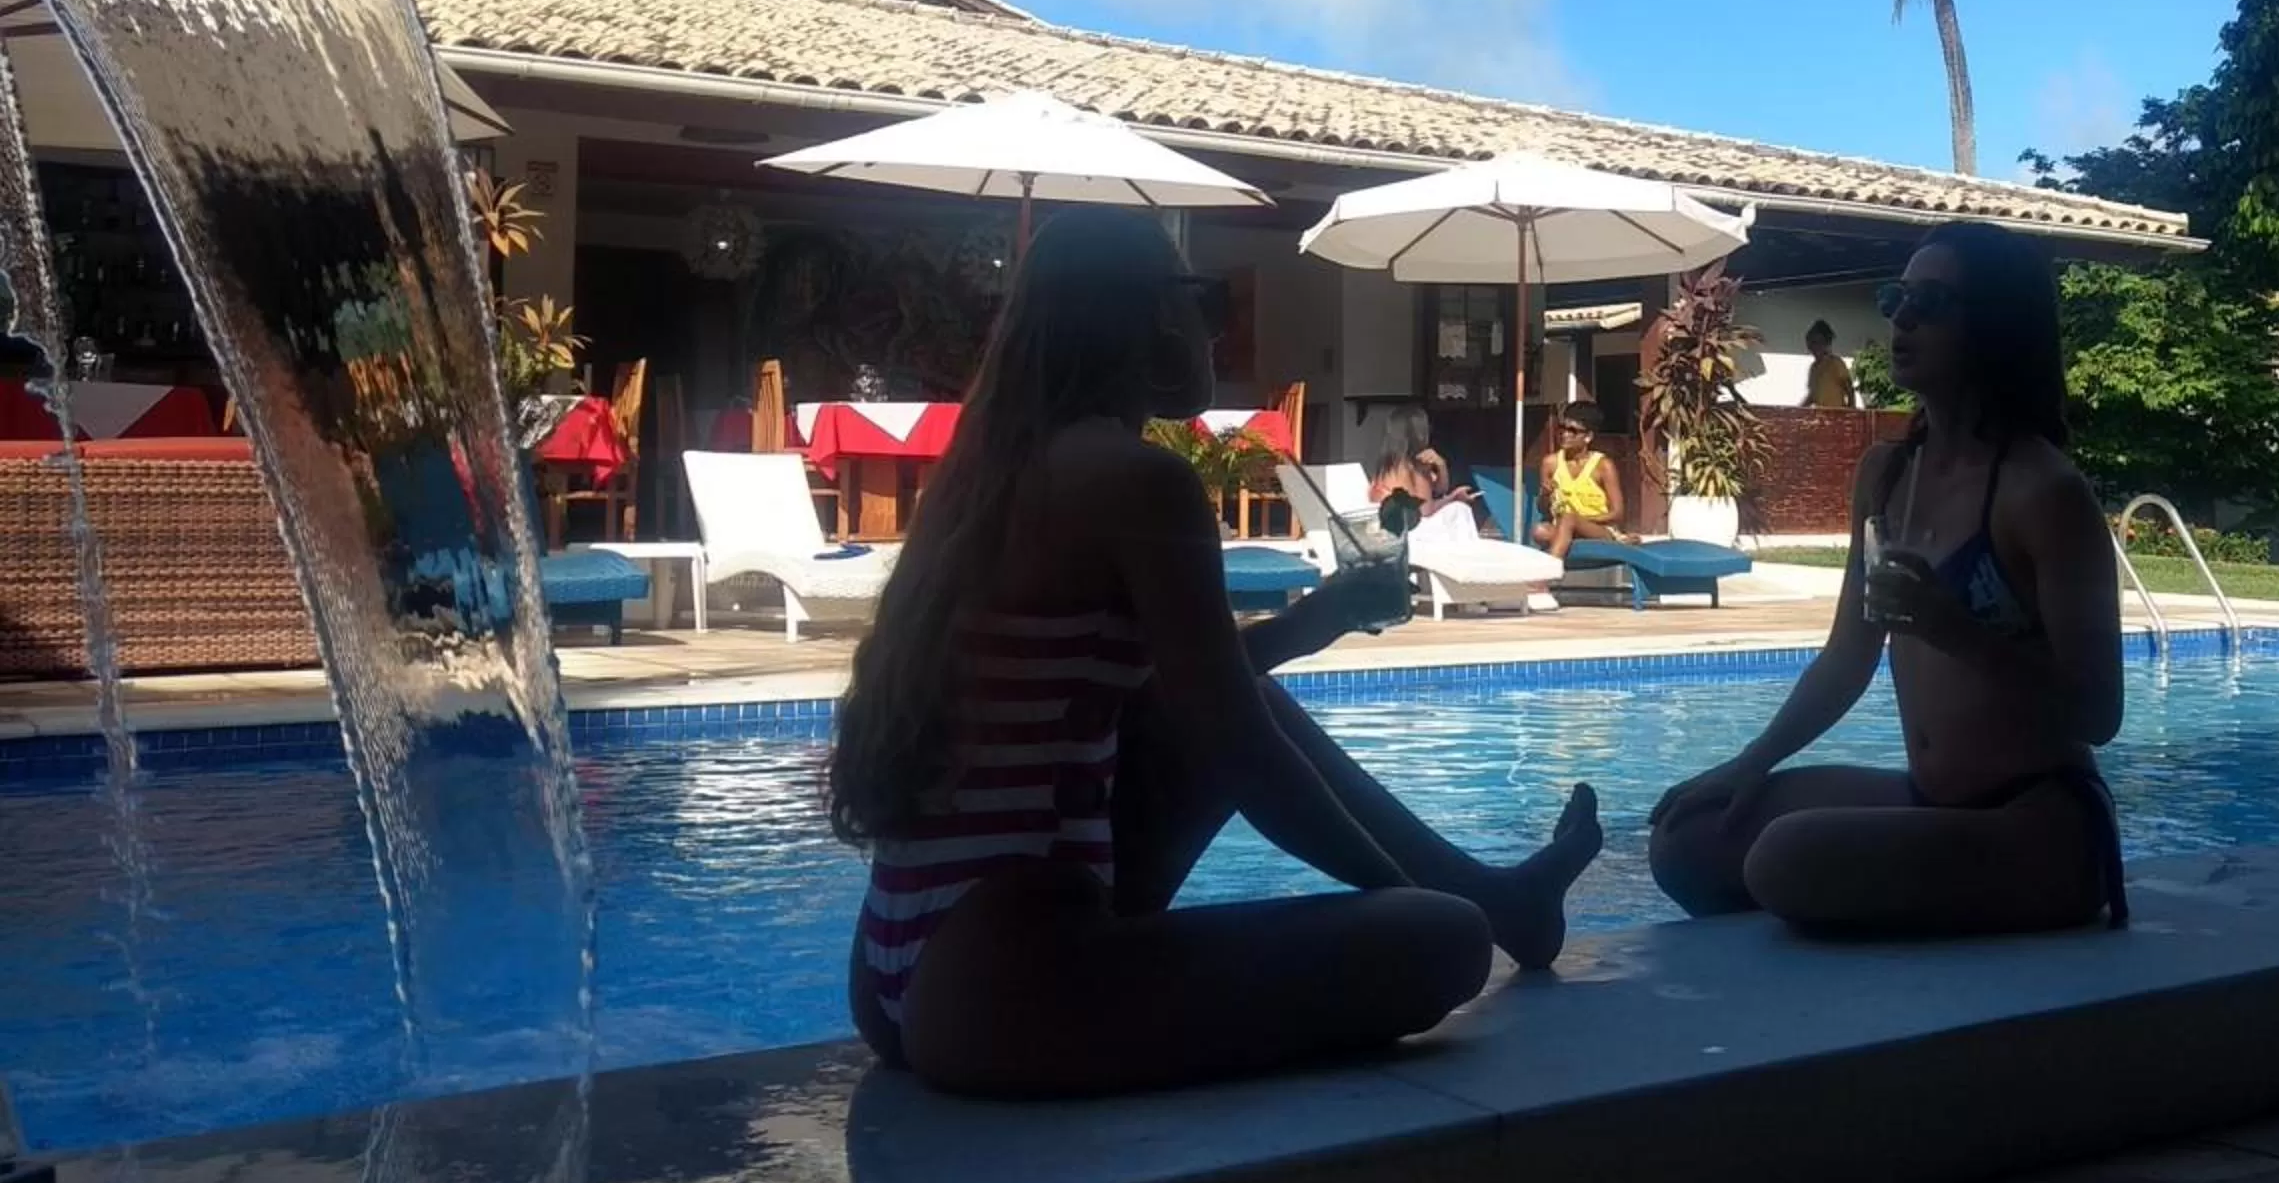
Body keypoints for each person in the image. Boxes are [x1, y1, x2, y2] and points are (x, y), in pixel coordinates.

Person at [830, 208, 1601, 1098]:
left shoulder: (994, 472)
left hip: (903, 966)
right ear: (1153, 318)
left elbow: (1184, 691)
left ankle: (1510, 904)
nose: (1216, 327)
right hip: (1009, 985)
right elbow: (1238, 747)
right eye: (1206, 300)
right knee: (1445, 944)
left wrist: (1325, 614)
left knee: (1249, 707)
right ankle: (1486, 912)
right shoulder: (1139, 481)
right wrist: (1406, 901)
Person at [1646, 224, 2128, 936]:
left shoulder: (2042, 492)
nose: (1900, 317)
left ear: (1994, 324)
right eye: (1896, 296)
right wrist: (1748, 764)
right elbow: (1848, 658)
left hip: (2039, 822)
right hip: (1929, 800)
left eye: (1931, 302)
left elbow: (2099, 713)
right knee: (1689, 839)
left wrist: (1953, 630)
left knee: (1786, 860)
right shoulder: (1887, 474)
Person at [1365, 403, 1483, 541]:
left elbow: (1440, 489)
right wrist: (1453, 498)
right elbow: (1425, 510)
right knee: (1460, 510)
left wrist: (1441, 465)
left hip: (1407, 525)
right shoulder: (1403, 469)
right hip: (1410, 531)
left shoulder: (1394, 463)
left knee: (1458, 509)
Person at [1534, 402, 1631, 559]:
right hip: (1563, 527)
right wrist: (1545, 495)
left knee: (1569, 518)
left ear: (1588, 437)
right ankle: (1564, 541)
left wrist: (1578, 521)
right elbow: (1543, 509)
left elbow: (1617, 514)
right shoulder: (1550, 463)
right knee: (1540, 531)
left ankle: (1544, 577)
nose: (1565, 434)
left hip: (1599, 529)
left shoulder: (1603, 465)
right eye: (1563, 428)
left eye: (1573, 431)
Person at [1804, 320, 1855, 409]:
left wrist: (1851, 412)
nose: (1814, 347)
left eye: (1818, 342)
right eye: (1811, 343)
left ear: (1826, 343)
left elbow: (1849, 389)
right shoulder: (1813, 368)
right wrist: (1797, 410)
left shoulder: (1836, 363)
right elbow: (1812, 396)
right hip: (1820, 416)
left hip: (1836, 415)